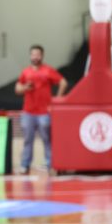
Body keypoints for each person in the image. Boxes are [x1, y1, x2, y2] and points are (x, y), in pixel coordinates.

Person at [15, 44, 68, 174]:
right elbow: (17, 89)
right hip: (28, 112)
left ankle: (51, 165)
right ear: (30, 56)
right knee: (27, 140)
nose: (35, 57)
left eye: (37, 54)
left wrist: (56, 101)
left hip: (44, 112)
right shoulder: (25, 72)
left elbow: (63, 82)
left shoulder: (48, 70)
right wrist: (25, 88)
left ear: (42, 56)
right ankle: (25, 165)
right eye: (33, 54)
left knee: (47, 140)